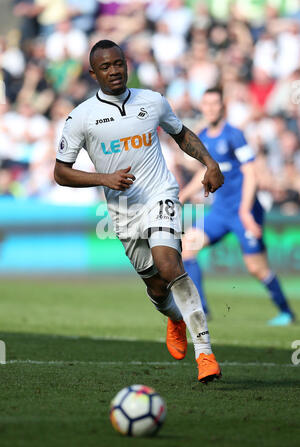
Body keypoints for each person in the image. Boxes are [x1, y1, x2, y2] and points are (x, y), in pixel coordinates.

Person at [54, 40, 224, 383]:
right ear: (93, 73)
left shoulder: (152, 101)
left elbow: (181, 133)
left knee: (169, 263)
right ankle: (175, 319)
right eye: (105, 67)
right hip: (123, 212)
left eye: (118, 63)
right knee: (157, 287)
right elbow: (60, 172)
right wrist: (104, 179)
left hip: (160, 194)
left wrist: (209, 162)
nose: (114, 70)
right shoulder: (81, 117)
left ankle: (205, 353)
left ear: (126, 65)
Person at [180, 87, 296, 326]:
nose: (211, 108)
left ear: (223, 107)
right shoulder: (204, 136)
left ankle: (286, 312)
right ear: (202, 107)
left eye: (215, 104)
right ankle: (201, 309)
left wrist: (245, 211)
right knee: (188, 247)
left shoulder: (235, 135)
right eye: (207, 104)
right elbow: (205, 171)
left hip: (245, 210)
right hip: (221, 211)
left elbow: (250, 172)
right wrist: (182, 196)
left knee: (257, 268)